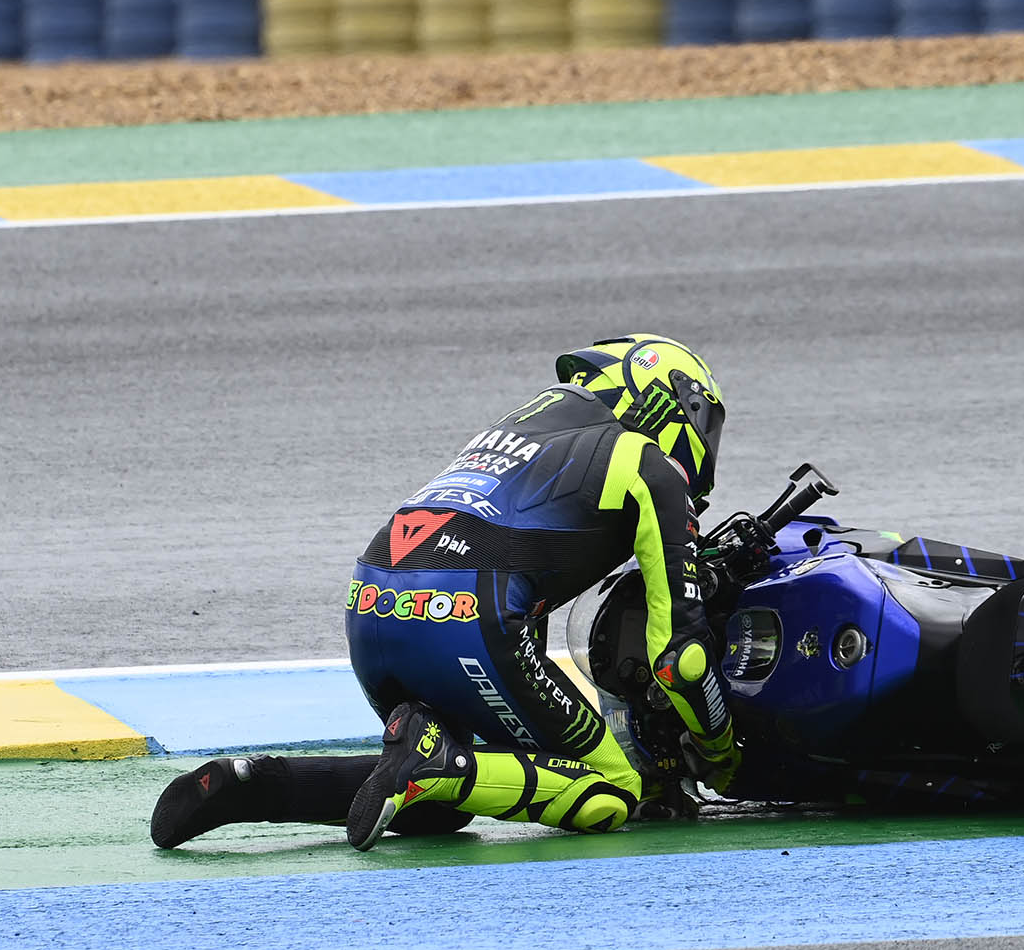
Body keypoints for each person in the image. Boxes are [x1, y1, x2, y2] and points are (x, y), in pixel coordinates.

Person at [152, 335, 738, 852]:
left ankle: (255, 787)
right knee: (610, 788)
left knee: (445, 800)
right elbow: (678, 656)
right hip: (467, 616)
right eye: (704, 423)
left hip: (370, 603)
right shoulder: (649, 462)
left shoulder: (518, 428)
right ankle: (437, 766)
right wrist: (721, 752)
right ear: (668, 400)